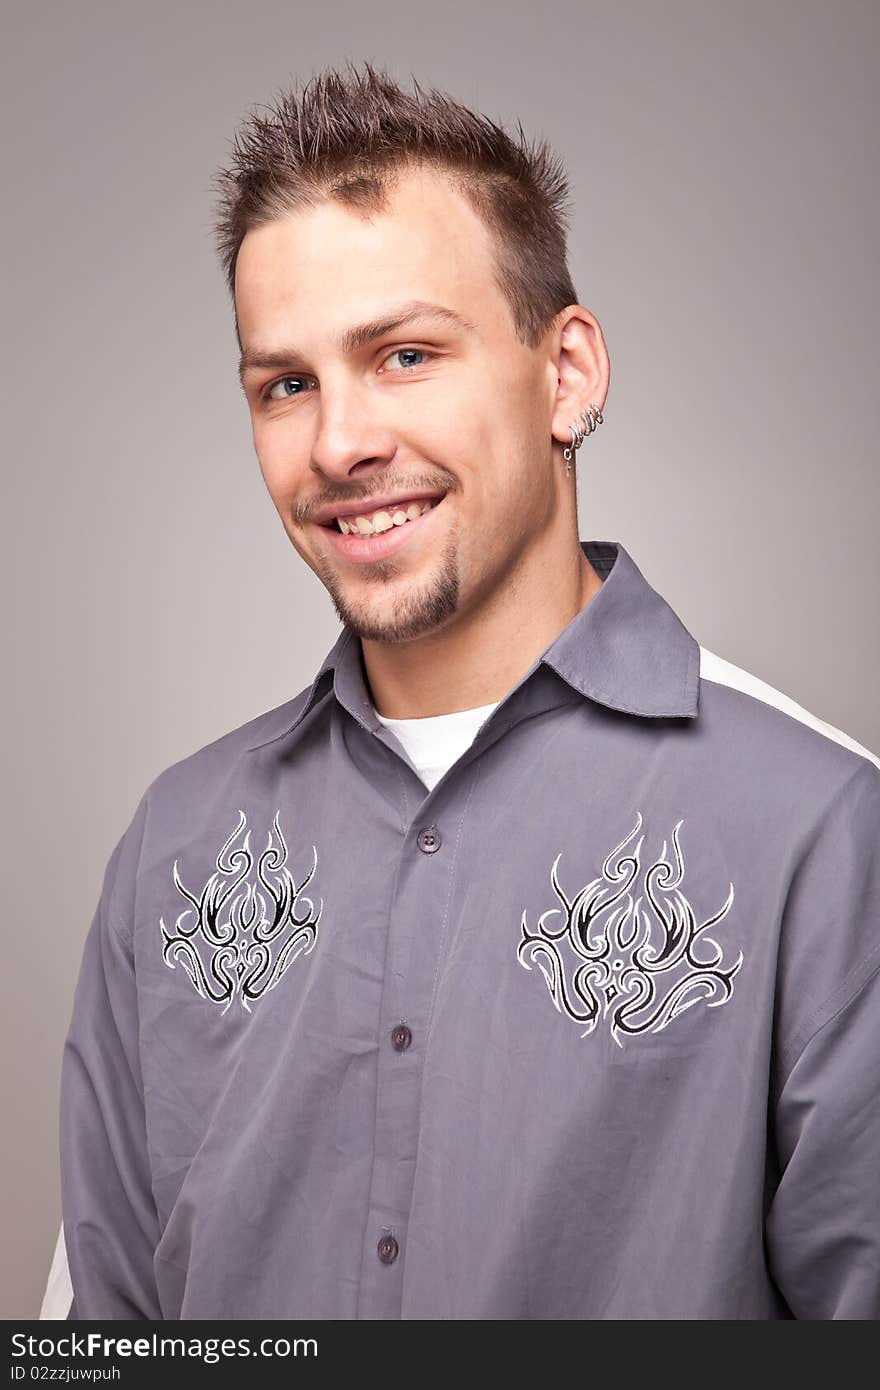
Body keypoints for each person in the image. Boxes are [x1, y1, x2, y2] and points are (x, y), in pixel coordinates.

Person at [48, 61, 879, 1321]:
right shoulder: (177, 841)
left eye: (405, 354)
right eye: (287, 383)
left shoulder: (820, 832)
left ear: (567, 375)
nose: (339, 443)